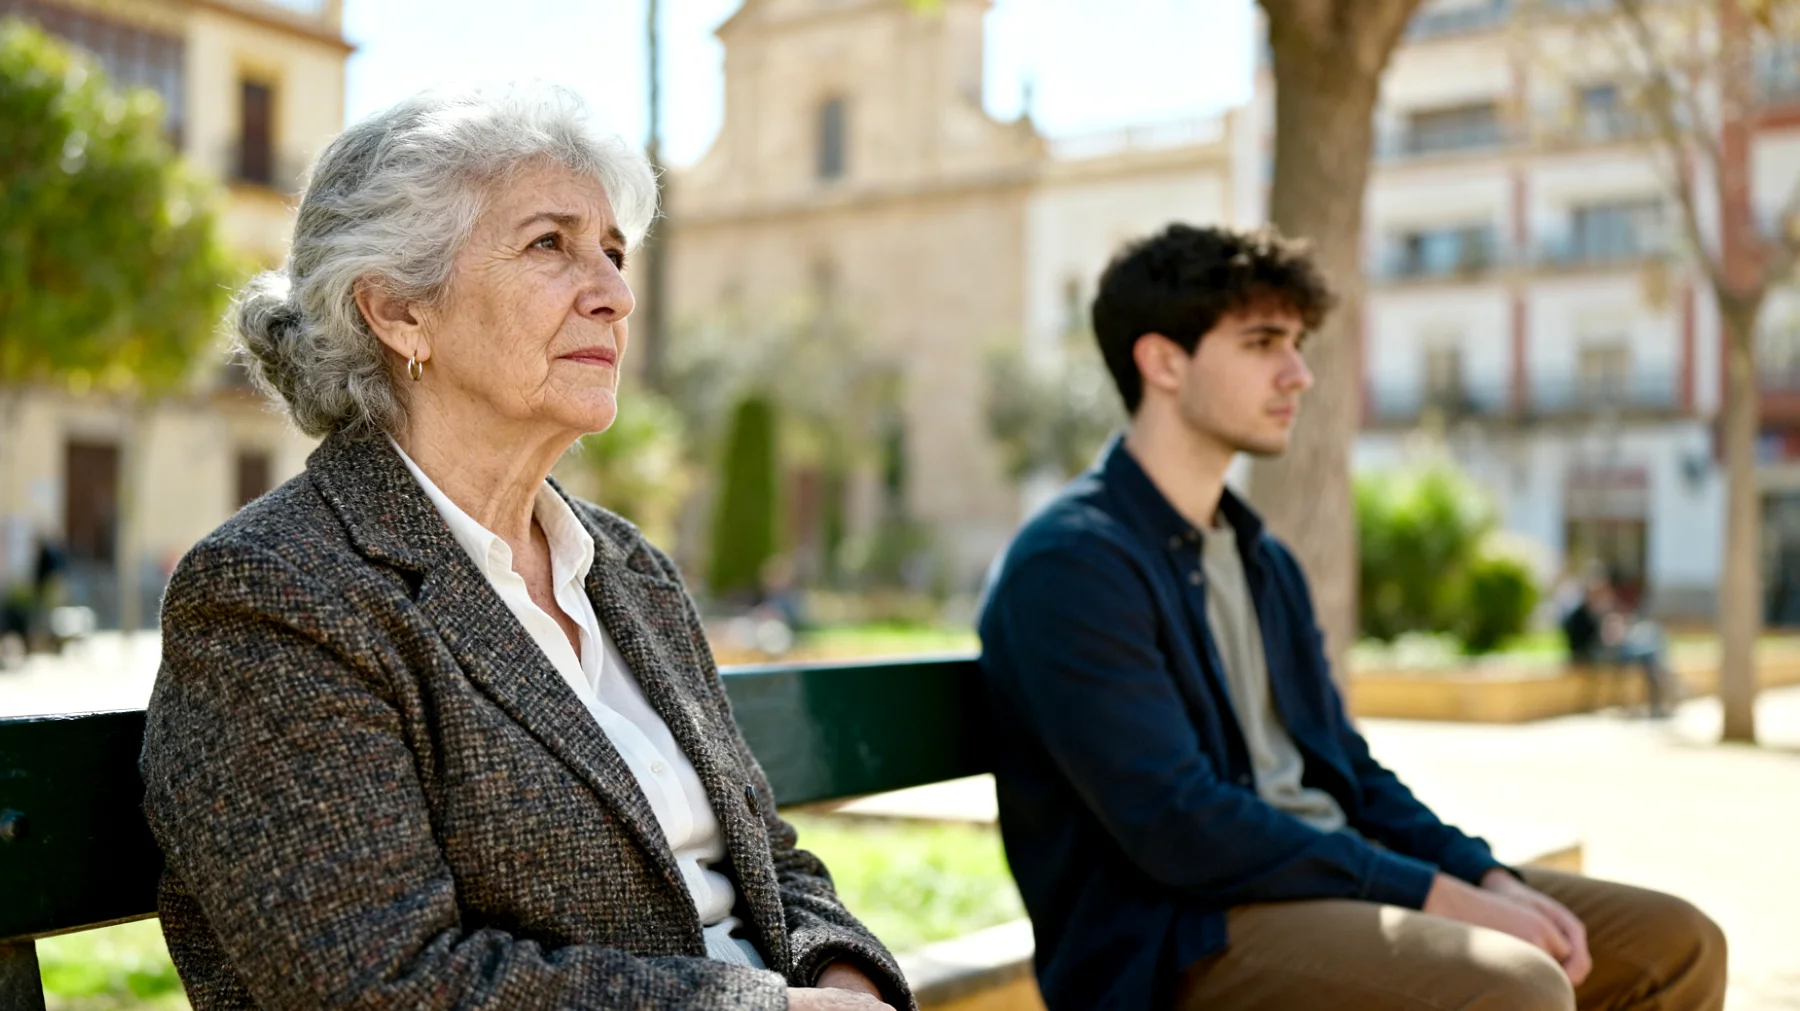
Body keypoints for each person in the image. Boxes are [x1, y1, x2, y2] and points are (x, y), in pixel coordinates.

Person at [140, 84, 907, 1011]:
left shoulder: (628, 569)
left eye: (615, 253)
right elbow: (377, 986)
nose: (617, 296)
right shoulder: (278, 591)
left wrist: (846, 978)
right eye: (552, 244)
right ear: (396, 310)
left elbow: (767, 857)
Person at [976, 224, 1726, 1010]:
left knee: (1677, 942)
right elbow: (1179, 824)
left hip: (1331, 882)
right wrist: (1433, 895)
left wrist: (1478, 871)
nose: (1298, 373)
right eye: (1264, 342)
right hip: (1182, 940)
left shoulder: (1262, 560)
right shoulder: (1073, 564)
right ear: (1164, 360)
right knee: (1515, 987)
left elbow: (1350, 771)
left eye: (1297, 342)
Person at [1562, 572, 1676, 718]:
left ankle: (1657, 702)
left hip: (1610, 651)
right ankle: (1661, 698)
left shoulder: (1602, 610)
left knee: (1649, 659)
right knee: (1646, 656)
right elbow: (1587, 641)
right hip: (1590, 654)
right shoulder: (1581, 614)